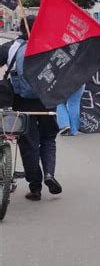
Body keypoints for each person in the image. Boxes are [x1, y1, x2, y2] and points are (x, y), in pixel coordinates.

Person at [2, 16, 62, 201]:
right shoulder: (52, 46)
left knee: (29, 144)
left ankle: (35, 187)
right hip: (47, 101)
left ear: (20, 29)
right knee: (48, 139)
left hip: (22, 103)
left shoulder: (11, 47)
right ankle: (49, 175)